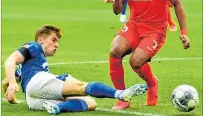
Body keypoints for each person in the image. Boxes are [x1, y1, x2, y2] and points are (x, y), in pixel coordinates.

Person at [109, 0, 190, 110]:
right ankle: (122, 98)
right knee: (114, 51)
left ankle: (152, 83)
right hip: (134, 25)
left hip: (155, 30)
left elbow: (177, 3)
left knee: (136, 62)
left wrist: (183, 32)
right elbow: (117, 10)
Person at [3, 25, 147, 114]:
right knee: (81, 86)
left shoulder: (29, 65)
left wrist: (12, 95)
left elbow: (5, 83)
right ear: (41, 40)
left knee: (91, 103)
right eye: (53, 40)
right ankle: (120, 94)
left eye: (58, 41)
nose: (57, 45)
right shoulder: (34, 46)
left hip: (33, 100)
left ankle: (59, 108)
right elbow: (10, 61)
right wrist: (13, 83)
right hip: (38, 83)